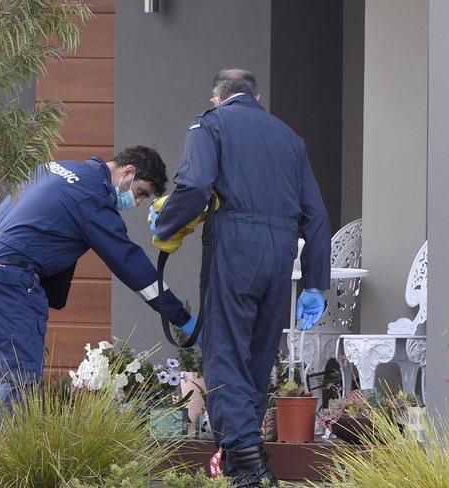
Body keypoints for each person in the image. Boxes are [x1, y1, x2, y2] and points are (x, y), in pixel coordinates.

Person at [149, 70, 331, 487]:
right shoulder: (290, 138)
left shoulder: (210, 124)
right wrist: (315, 283)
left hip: (235, 245)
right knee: (258, 354)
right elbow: (316, 217)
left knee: (225, 351)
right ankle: (240, 461)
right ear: (256, 96)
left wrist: (165, 225)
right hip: (282, 251)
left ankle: (249, 466)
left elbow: (194, 185)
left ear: (217, 99)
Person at [0, 146, 197, 413]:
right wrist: (182, 319)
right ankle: (10, 455)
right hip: (8, 277)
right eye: (141, 192)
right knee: (20, 380)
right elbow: (131, 264)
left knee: (3, 380)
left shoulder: (56, 168)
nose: (138, 202)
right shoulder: (92, 198)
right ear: (128, 172)